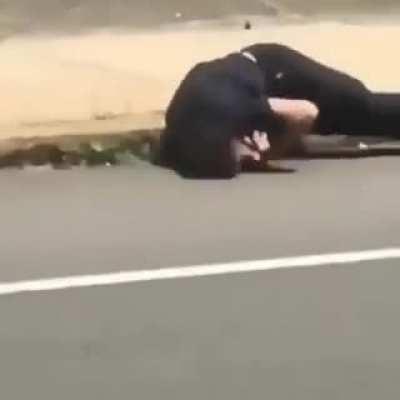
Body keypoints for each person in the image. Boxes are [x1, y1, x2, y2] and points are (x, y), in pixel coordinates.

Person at [158, 43, 400, 178]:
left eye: (238, 158)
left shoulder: (234, 108)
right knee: (343, 122)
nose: (246, 161)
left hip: (281, 71)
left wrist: (272, 152)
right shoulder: (180, 131)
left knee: (363, 107)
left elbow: (306, 112)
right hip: (252, 86)